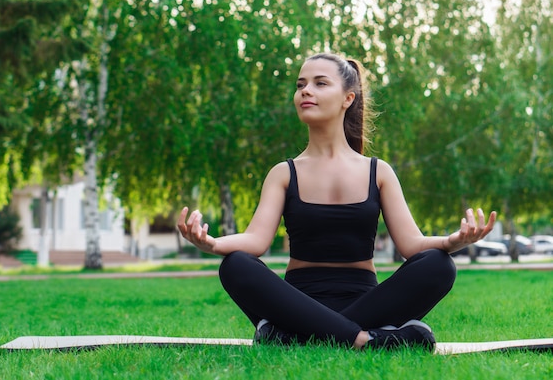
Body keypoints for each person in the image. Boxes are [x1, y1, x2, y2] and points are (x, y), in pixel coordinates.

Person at [177, 53, 496, 351]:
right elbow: (255, 241)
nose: (305, 91)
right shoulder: (283, 174)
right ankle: (365, 340)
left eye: (319, 83)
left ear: (348, 98)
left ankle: (291, 337)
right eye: (300, 85)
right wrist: (213, 243)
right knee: (235, 265)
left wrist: (455, 241)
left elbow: (412, 245)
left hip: (367, 302)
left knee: (439, 265)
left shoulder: (378, 172)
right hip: (297, 303)